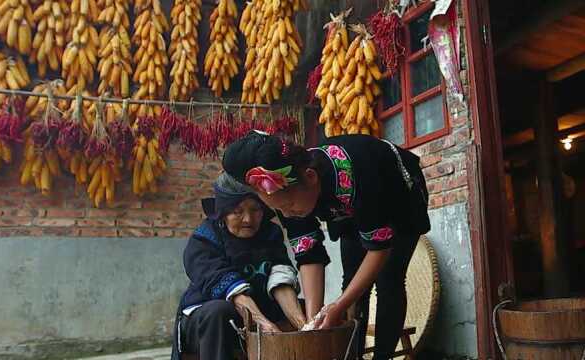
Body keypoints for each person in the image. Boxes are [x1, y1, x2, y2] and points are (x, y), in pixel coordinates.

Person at [222, 132, 430, 360]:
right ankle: (352, 355)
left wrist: (338, 306)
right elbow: (309, 254)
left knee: (388, 279)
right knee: (351, 279)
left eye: (289, 205)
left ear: (311, 177)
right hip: (343, 206)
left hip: (397, 195)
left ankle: (383, 356)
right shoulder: (283, 192)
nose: (287, 213)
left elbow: (379, 250)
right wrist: (313, 321)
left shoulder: (359, 174)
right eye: (279, 209)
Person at [171, 173, 306, 360]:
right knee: (220, 311)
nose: (248, 219)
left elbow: (280, 278)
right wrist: (264, 325)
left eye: (255, 209)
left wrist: (305, 326)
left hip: (258, 309)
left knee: (307, 309)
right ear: (223, 213)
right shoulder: (205, 238)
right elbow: (232, 291)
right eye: (237, 211)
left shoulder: (270, 233)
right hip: (208, 322)